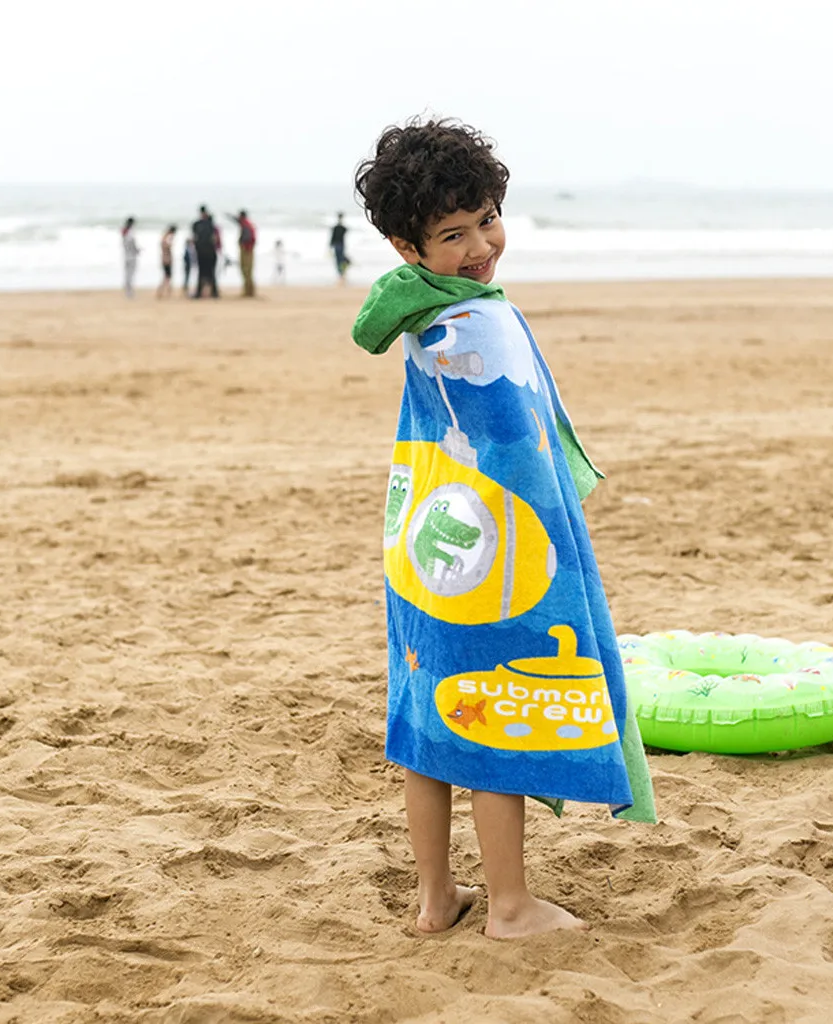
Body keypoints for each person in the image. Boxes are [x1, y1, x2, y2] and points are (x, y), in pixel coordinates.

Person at [351, 119, 654, 940]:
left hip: (425, 543)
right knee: (494, 713)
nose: (481, 245)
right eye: (453, 234)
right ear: (405, 245)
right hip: (490, 553)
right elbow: (519, 459)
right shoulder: (476, 323)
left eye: (487, 218)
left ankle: (434, 900)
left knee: (426, 720)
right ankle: (511, 907)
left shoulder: (422, 308)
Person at [191, 205, 221, 298]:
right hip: (210, 252)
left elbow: (194, 238)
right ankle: (214, 292)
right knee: (211, 273)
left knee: (201, 273)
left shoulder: (196, 225)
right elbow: (215, 239)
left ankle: (200, 293)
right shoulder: (211, 225)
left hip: (201, 252)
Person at [229, 209, 257, 296]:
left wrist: (242, 244)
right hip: (248, 250)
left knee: (246, 270)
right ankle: (249, 290)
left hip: (246, 250)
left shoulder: (246, 225)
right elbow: (236, 220)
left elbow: (247, 237)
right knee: (247, 270)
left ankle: (249, 291)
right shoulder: (246, 224)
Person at [156, 224, 177, 299]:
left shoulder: (164, 236)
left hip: (164, 258)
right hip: (167, 259)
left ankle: (164, 291)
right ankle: (164, 291)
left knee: (166, 276)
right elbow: (167, 247)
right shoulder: (168, 238)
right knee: (167, 276)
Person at [329, 212, 350, 283]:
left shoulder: (335, 228)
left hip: (337, 245)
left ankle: (341, 273)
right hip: (341, 244)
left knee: (338, 260)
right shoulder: (343, 228)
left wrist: (330, 245)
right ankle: (342, 272)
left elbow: (332, 237)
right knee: (341, 259)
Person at [121, 217, 139, 298]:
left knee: (127, 274)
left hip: (125, 256)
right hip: (131, 256)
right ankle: (129, 292)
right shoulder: (130, 233)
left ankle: (127, 290)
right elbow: (133, 244)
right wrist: (137, 250)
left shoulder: (124, 232)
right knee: (130, 275)